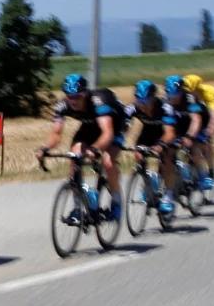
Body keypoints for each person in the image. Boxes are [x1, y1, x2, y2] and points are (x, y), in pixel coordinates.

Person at [39, 73, 126, 220]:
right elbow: (56, 133)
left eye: (77, 97)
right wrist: (45, 148)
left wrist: (95, 149)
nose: (73, 100)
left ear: (85, 94)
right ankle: (77, 208)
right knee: (74, 156)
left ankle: (116, 201)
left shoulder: (99, 101)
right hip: (89, 126)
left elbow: (107, 132)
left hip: (114, 126)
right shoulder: (63, 106)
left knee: (108, 161)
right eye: (69, 96)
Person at [123, 80, 177, 215]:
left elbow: (170, 133)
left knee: (167, 157)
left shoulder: (165, 108)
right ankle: (147, 185)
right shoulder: (132, 108)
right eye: (140, 101)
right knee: (139, 154)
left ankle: (168, 196)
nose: (143, 106)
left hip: (164, 133)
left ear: (153, 98)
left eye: (146, 102)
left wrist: (161, 145)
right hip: (147, 132)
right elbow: (122, 127)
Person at [182, 74, 214, 190]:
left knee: (206, 143)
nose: (186, 92)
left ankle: (210, 172)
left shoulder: (209, 92)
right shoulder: (184, 94)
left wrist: (210, 131)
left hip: (206, 115)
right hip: (192, 117)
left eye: (189, 90)